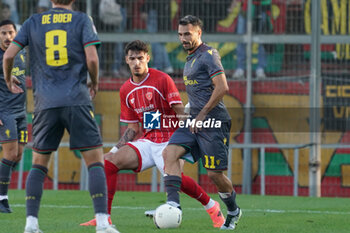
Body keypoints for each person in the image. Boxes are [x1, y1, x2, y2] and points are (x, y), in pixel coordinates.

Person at [80, 40, 225, 228]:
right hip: (148, 141)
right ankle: (104, 218)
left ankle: (212, 207)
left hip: (170, 141)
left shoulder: (162, 79)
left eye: (140, 58)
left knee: (175, 180)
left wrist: (184, 139)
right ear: (126, 60)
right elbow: (133, 128)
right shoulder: (125, 89)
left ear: (147, 58)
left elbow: (180, 113)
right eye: (132, 59)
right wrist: (115, 149)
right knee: (108, 162)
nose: (136, 62)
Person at [3, 1, 118, 233]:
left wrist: (8, 79)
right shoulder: (82, 19)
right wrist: (94, 82)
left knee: (39, 164)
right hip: (77, 99)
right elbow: (93, 59)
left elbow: (8, 56)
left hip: (45, 103)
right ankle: (103, 224)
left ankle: (31, 224)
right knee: (95, 161)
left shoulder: (32, 22)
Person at [160, 15, 242, 230]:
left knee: (214, 174)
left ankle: (233, 210)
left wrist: (201, 115)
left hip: (213, 122)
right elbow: (200, 91)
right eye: (180, 34)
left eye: (187, 34)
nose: (183, 38)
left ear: (199, 33)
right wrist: (189, 110)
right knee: (169, 153)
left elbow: (222, 87)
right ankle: (173, 205)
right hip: (193, 122)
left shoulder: (209, 55)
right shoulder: (190, 58)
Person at [0, 19, 26, 214]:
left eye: (11, 32)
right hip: (5, 111)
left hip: (22, 112)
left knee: (17, 155)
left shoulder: (22, 53)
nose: (8, 37)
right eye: (3, 33)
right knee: (9, 154)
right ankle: (2, 199)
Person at [231, 0, 271, 79]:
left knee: (261, 40)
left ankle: (260, 69)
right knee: (241, 39)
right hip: (245, 9)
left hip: (261, 8)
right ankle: (240, 69)